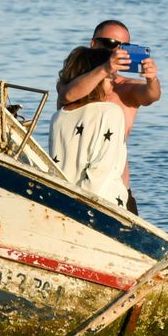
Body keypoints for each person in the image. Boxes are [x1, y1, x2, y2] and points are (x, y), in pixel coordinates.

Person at [56, 20, 160, 214]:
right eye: (111, 44)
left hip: (117, 192)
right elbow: (66, 96)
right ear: (93, 44)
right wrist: (104, 69)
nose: (116, 51)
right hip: (69, 186)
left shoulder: (126, 87)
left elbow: (151, 95)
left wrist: (152, 78)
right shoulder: (72, 80)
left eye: (124, 47)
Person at [49, 47, 129, 211]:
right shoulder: (110, 112)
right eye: (110, 77)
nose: (114, 81)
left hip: (60, 202)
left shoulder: (58, 117)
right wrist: (81, 207)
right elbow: (102, 168)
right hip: (102, 206)